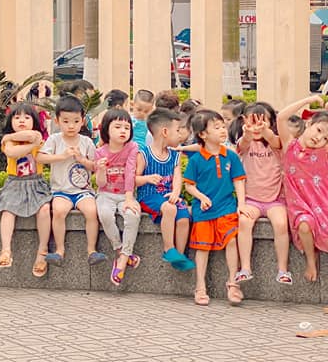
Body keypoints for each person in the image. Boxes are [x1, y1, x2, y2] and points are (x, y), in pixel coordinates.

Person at [184, 109, 248, 306]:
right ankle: (200, 286)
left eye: (223, 126)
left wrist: (241, 204)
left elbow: (238, 180)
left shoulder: (231, 156)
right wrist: (202, 197)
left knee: (232, 241)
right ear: (203, 134)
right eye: (217, 127)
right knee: (202, 248)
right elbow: (189, 186)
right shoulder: (196, 160)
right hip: (203, 210)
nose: (223, 130)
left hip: (226, 206)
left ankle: (233, 283)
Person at [37, 95, 106, 266]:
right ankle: (59, 250)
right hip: (61, 191)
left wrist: (81, 159)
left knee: (92, 211)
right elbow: (40, 157)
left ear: (82, 121)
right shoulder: (54, 139)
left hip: (83, 191)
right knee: (58, 211)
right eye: (66, 121)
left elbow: (94, 166)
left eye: (75, 121)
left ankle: (92, 250)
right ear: (57, 121)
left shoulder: (87, 141)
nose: (71, 126)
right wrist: (62, 156)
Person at [0, 102, 51, 277]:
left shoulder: (36, 136)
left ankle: (42, 251)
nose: (22, 120)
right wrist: (31, 145)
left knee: (44, 209)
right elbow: (12, 153)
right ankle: (5, 250)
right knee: (7, 211)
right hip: (14, 184)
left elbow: (33, 135)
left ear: (34, 121)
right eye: (17, 117)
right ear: (10, 121)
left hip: (36, 184)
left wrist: (11, 138)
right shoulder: (9, 142)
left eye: (27, 117)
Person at [235, 102, 290, 285]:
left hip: (275, 199)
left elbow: (274, 140)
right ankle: (245, 268)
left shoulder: (276, 144)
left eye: (262, 122)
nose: (257, 127)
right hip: (251, 200)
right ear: (244, 121)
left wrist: (265, 131)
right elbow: (243, 143)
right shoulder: (245, 143)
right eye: (252, 121)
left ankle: (283, 270)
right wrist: (248, 133)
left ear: (271, 123)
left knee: (281, 224)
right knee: (244, 222)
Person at [135, 108, 195, 271]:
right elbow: (133, 179)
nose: (180, 135)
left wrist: (176, 192)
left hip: (168, 196)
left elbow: (177, 177)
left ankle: (179, 255)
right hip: (149, 196)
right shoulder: (144, 154)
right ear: (165, 132)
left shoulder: (175, 155)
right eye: (177, 131)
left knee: (184, 217)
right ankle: (168, 249)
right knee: (169, 209)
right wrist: (146, 179)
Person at [277, 95, 328, 282]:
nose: (319, 138)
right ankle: (310, 261)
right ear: (309, 123)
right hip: (299, 206)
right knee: (305, 226)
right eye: (319, 130)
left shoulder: (324, 153)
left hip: (322, 203)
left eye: (325, 138)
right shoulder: (290, 145)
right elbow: (281, 117)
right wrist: (308, 100)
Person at [95, 108, 141, 286]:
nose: (123, 131)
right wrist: (101, 170)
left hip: (125, 194)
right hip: (106, 194)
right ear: (106, 129)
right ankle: (121, 250)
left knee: (132, 215)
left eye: (127, 127)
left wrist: (129, 198)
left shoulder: (132, 147)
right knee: (105, 215)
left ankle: (122, 259)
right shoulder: (100, 152)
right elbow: (100, 183)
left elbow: (130, 171)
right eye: (118, 127)